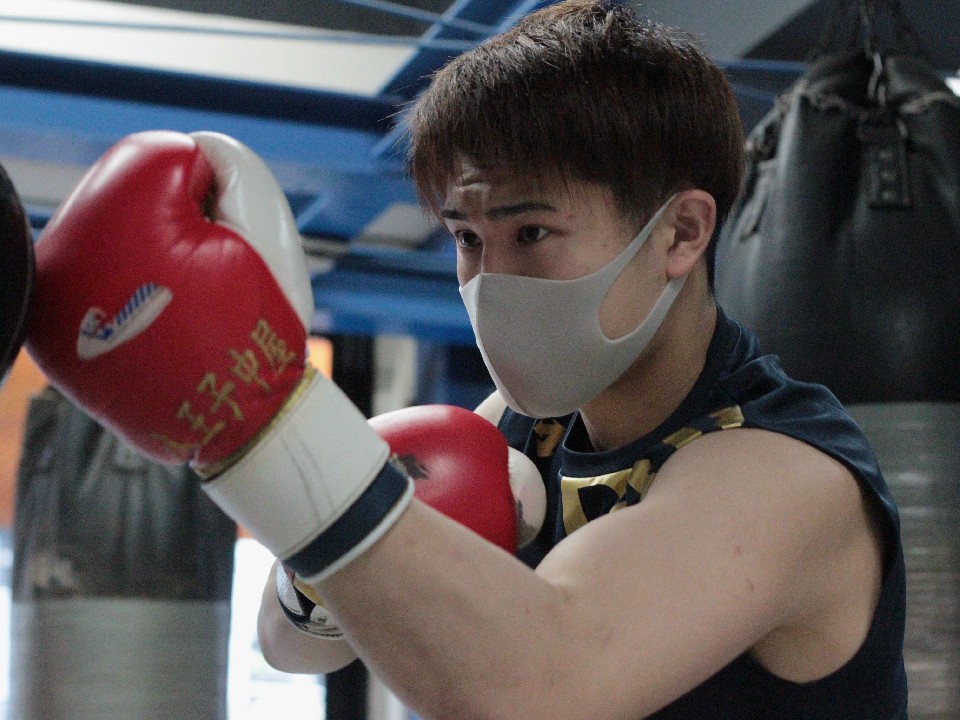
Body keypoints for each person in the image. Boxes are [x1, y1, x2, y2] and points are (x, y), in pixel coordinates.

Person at [22, 1, 906, 719]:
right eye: (468, 239)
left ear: (680, 233)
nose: (491, 282)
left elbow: (540, 688)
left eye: (533, 233)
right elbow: (290, 644)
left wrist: (268, 428)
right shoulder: (515, 431)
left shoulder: (787, 473)